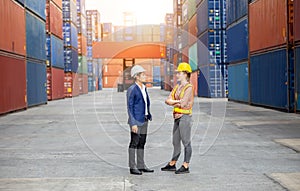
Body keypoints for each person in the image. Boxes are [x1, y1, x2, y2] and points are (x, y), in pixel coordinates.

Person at [161, 62, 194, 174]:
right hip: (176, 117)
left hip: (185, 117)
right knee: (175, 142)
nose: (177, 75)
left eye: (179, 73)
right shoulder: (177, 87)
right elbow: (167, 100)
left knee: (186, 142)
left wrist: (173, 102)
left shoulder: (189, 88)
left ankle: (186, 165)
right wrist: (176, 102)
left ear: (185, 74)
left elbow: (184, 103)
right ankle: (172, 164)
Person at [127, 65, 154, 175]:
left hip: (144, 119)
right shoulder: (132, 89)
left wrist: (148, 114)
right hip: (136, 121)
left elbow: (145, 103)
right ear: (137, 76)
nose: (145, 76)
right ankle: (132, 167)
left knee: (142, 143)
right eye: (142, 74)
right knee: (134, 143)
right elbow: (130, 107)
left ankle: (141, 165)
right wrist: (133, 123)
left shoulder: (144, 88)